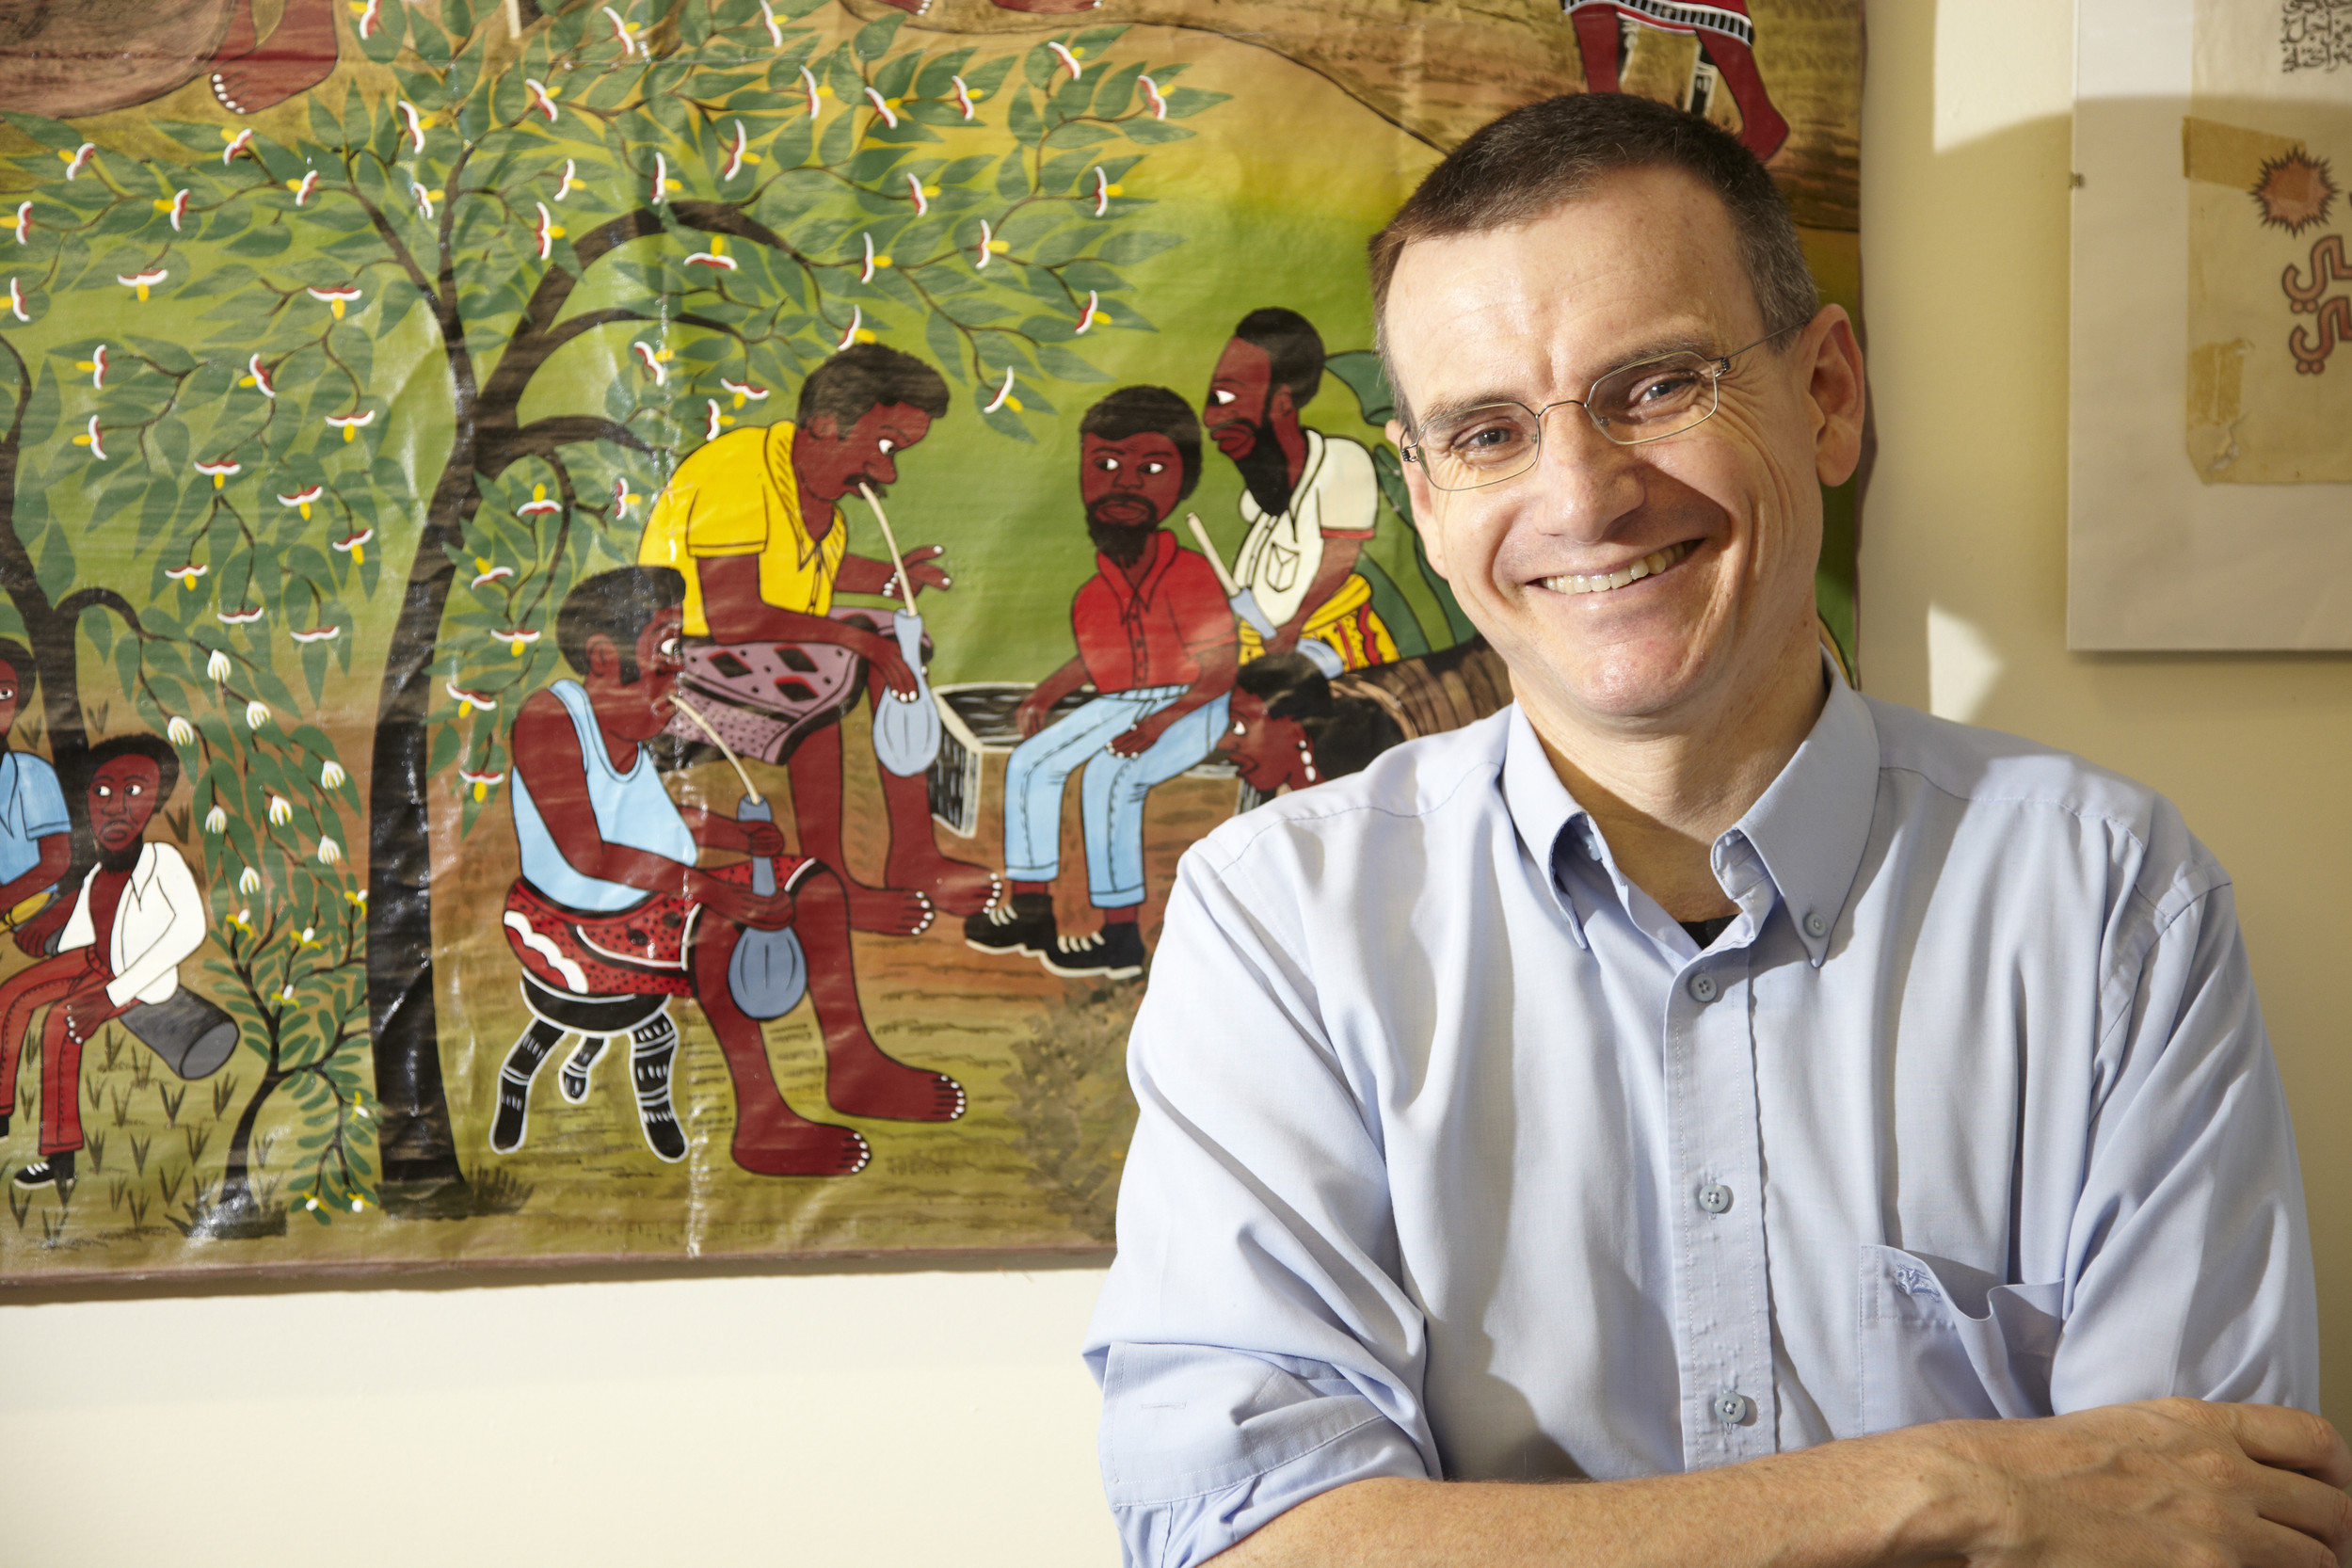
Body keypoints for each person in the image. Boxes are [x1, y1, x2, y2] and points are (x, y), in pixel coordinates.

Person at [1085, 92, 2348, 1566]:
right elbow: (1250, 1542)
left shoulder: (2105, 899)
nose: (1583, 498)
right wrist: (1939, 1489)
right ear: (1424, 505)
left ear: (1825, 396)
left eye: (1653, 385)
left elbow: (2199, 1527)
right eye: (1489, 432)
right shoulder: (1279, 918)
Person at [504, 567, 964, 1180]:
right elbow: (593, 855)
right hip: (573, 925)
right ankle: (761, 1123)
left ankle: (855, 1071)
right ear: (601, 656)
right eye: (667, 648)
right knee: (715, 933)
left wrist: (735, 834)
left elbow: (662, 825)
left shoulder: (626, 732)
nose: (679, 668)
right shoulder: (549, 718)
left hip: (643, 903)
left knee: (817, 887)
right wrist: (721, 892)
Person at [635, 344, 997, 937]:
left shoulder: (820, 500)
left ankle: (913, 852)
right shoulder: (739, 471)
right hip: (673, 664)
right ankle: (829, 884)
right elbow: (734, 613)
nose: (888, 473)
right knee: (829, 670)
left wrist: (889, 578)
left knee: (893, 640)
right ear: (827, 425)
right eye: (884, 447)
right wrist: (862, 646)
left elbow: (796, 575)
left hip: (733, 649)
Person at [963, 388, 1236, 979]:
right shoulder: (1095, 588)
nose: (1126, 484)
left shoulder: (1189, 574)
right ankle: (1032, 906)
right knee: (1031, 761)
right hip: (1123, 702)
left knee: (1110, 777)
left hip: (1192, 705)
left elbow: (1219, 669)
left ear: (1182, 482)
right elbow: (1097, 659)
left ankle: (1118, 936)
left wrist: (1160, 723)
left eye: (1152, 469)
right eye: (1106, 466)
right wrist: (1045, 693)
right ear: (1085, 474)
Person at [1, 735, 205, 1190]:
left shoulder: (163, 861)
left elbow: (189, 931)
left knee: (62, 1022)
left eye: (133, 791)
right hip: (93, 959)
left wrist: (110, 995)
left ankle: (60, 1160)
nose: (115, 806)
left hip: (131, 975)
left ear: (155, 801)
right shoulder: (99, 869)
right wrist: (49, 936)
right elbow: (87, 921)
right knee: (10, 995)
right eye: (102, 792)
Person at [1204, 309, 1399, 673]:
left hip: (1332, 649)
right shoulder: (1262, 498)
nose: (1211, 419)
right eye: (1214, 400)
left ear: (1280, 402)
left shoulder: (1342, 462)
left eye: (1227, 398)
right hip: (1261, 651)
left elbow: (1340, 557)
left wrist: (1292, 629)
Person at [1220, 651, 1404, 797]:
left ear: (1295, 730)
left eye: (1239, 727)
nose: (1224, 743)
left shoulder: (1364, 786)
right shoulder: (1275, 808)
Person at [0, 638, 72, 953]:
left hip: (36, 907)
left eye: (4, 694)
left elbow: (56, 861)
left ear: (18, 702)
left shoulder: (31, 773)